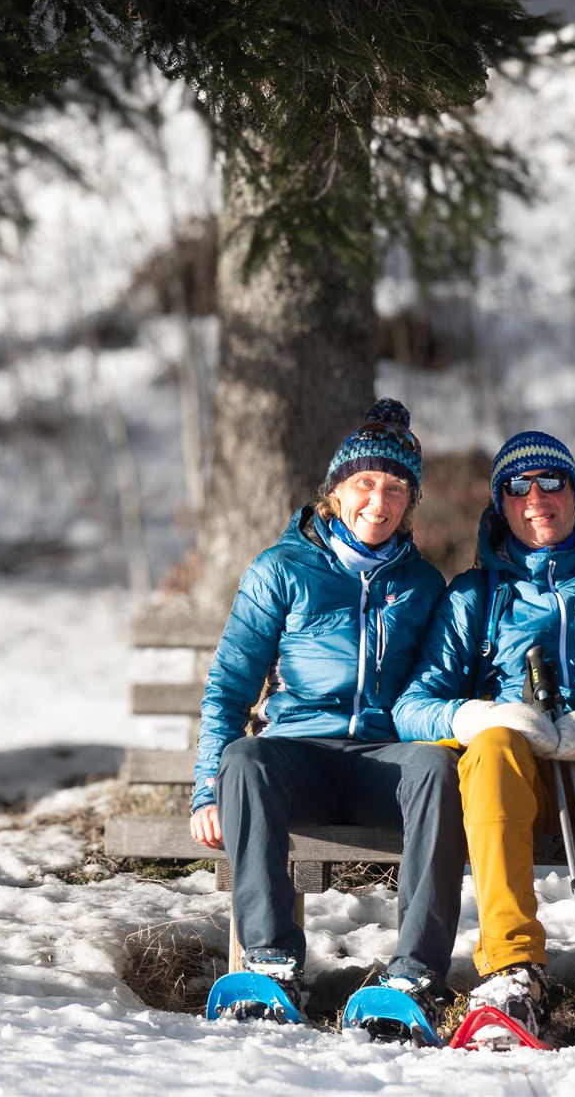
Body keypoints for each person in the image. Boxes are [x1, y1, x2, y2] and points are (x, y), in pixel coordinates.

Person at [394, 429, 575, 1044]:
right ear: (500, 503)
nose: (537, 498)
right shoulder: (475, 596)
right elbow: (412, 707)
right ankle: (511, 969)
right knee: (493, 747)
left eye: (552, 482)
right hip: (511, 788)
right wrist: (480, 716)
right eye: (518, 486)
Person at [188, 399, 461, 1021]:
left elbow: (433, 690)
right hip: (299, 758)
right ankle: (269, 961)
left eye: (395, 489)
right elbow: (230, 683)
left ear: (408, 503)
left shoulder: (421, 585)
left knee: (437, 768)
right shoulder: (282, 569)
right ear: (335, 491)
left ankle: (415, 975)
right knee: (246, 758)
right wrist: (208, 788)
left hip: (379, 764)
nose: (379, 501)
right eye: (365, 482)